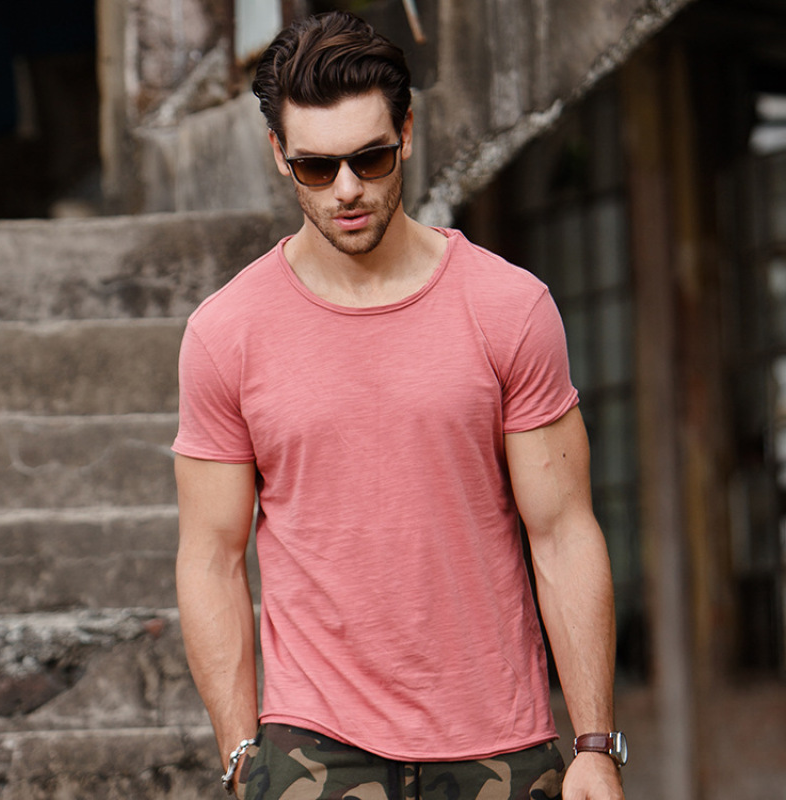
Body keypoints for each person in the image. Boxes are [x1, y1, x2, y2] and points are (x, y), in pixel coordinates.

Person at [173, 11, 626, 800]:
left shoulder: (508, 308)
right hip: (314, 749)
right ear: (279, 154)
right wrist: (242, 758)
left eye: (370, 157)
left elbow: (562, 532)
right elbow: (211, 558)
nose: (347, 189)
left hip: (498, 743)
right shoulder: (226, 333)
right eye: (317, 167)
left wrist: (594, 743)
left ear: (407, 135)